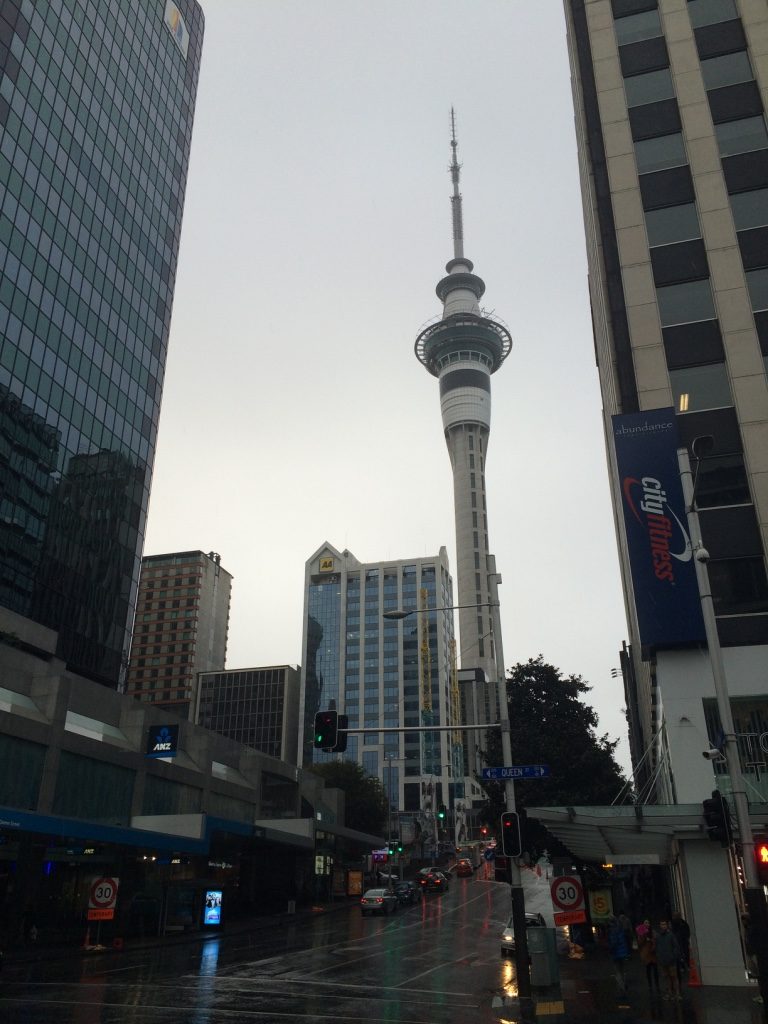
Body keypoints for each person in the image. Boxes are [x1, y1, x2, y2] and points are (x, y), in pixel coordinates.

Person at [655, 919, 681, 1000]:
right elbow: (657, 948)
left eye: (664, 924)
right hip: (663, 961)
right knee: (667, 978)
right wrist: (659, 957)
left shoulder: (671, 935)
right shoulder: (658, 937)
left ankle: (677, 994)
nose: (663, 926)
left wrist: (673, 956)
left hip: (671, 961)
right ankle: (669, 993)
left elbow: (676, 947)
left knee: (673, 977)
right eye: (662, 924)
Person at [607, 916, 631, 994]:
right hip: (623, 952)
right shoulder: (621, 929)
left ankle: (622, 987)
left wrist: (610, 949)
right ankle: (625, 983)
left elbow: (614, 943)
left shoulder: (612, 931)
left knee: (617, 971)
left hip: (616, 953)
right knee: (623, 969)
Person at [636, 919, 660, 993]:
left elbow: (657, 940)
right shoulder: (641, 933)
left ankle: (657, 985)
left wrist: (653, 942)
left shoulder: (653, 932)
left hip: (653, 954)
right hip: (646, 954)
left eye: (648, 923)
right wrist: (644, 936)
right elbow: (639, 943)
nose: (647, 924)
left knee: (655, 970)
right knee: (648, 970)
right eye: (645, 923)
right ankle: (650, 985)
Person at [671, 910, 691, 978]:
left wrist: (686, 938)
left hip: (683, 941)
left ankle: (686, 965)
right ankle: (683, 966)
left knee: (685, 953)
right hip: (679, 941)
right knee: (680, 954)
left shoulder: (682, 923)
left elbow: (687, 931)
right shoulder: (677, 923)